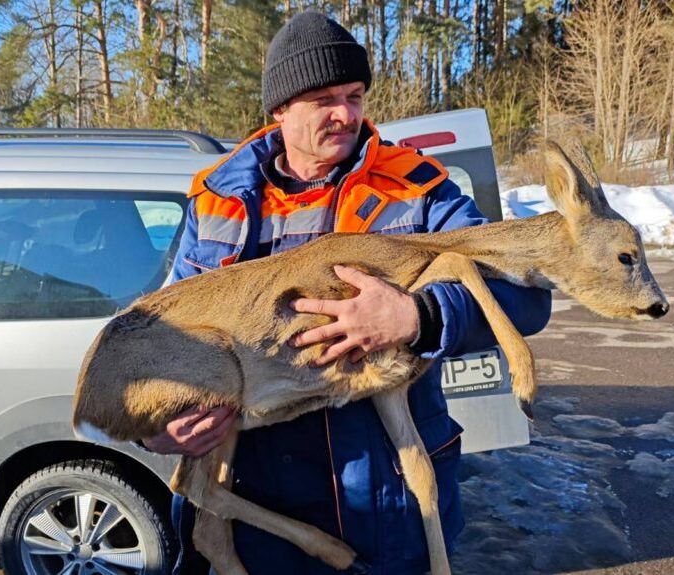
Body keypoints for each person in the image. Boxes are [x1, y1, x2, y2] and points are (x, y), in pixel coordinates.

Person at [143, 11, 551, 574]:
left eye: (354, 95)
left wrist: (418, 316)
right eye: (323, 99)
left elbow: (526, 296)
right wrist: (161, 423)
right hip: (261, 515)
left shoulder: (421, 189)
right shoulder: (215, 201)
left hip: (391, 507)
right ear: (280, 108)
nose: (346, 114)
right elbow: (167, 333)